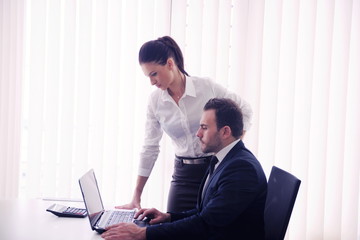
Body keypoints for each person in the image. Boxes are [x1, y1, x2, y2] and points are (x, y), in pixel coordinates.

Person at [117, 36, 253, 213]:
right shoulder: (155, 101)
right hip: (183, 175)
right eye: (148, 76)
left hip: (214, 168)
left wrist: (233, 150)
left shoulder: (206, 87)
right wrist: (136, 195)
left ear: (170, 64)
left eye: (154, 73)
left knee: (208, 228)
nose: (151, 82)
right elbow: (150, 147)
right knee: (173, 228)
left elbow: (245, 111)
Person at [103, 98, 267, 240]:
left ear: (225, 132)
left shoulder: (242, 169)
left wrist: (143, 233)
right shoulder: (224, 159)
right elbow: (206, 213)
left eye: (204, 127)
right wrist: (168, 217)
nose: (198, 134)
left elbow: (206, 224)